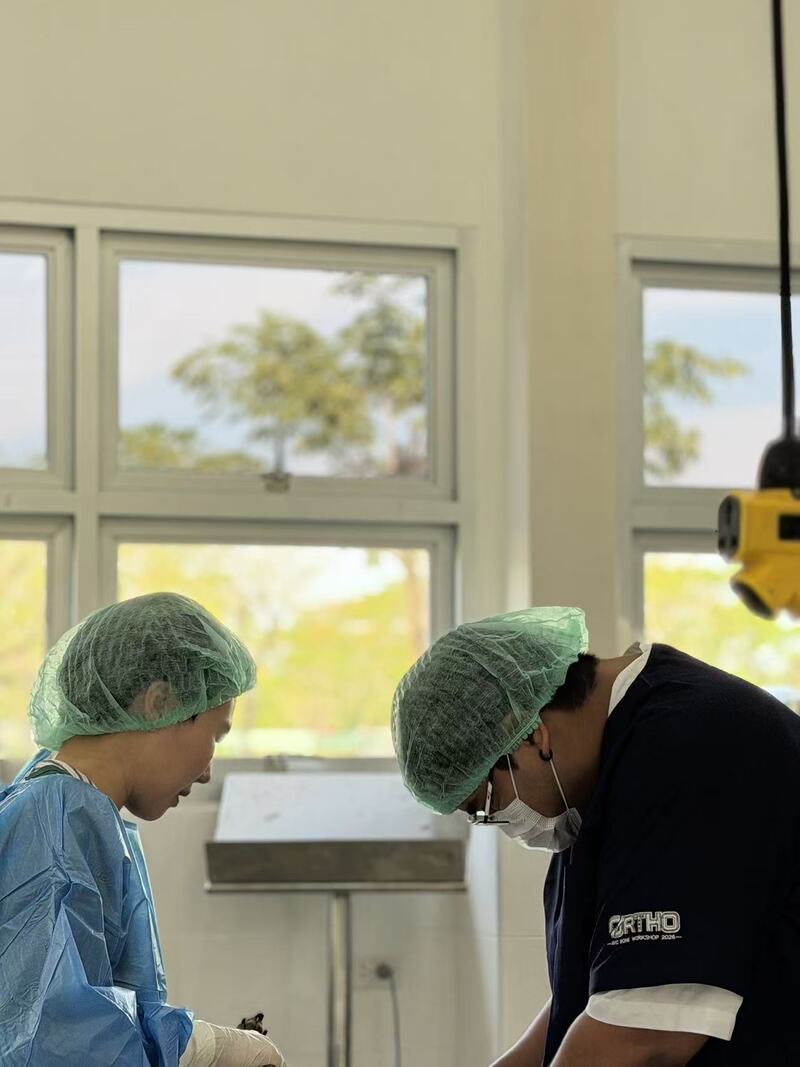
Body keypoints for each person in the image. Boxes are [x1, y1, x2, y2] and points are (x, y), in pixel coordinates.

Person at [391, 606, 800, 1066]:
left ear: (534, 736)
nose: (498, 821)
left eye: (485, 803)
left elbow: (641, 1038)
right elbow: (602, 998)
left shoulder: (694, 748)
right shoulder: (602, 779)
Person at [0, 591, 287, 1067]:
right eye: (215, 735)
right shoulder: (55, 820)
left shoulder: (75, 813)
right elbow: (50, 1037)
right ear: (160, 703)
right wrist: (202, 1048)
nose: (207, 772)